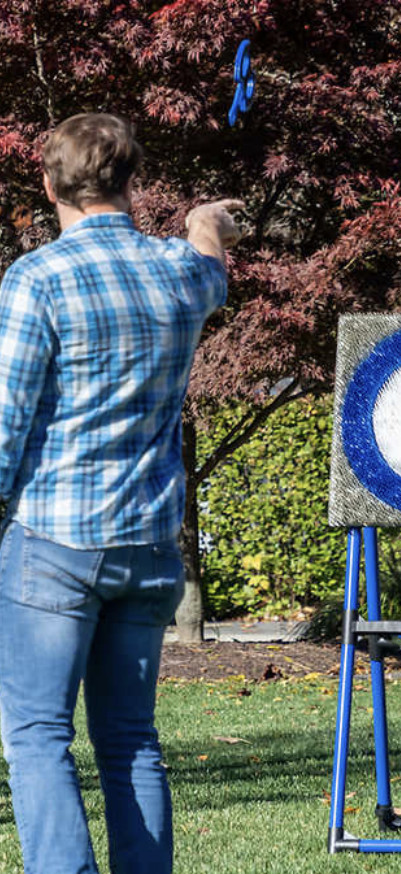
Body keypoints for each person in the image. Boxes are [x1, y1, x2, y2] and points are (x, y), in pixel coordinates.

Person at [0, 113, 242, 874]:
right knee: (131, 738)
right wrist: (205, 221)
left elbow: (5, 426)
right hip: (147, 544)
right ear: (133, 183)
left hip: (54, 544)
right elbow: (211, 265)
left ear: (48, 185)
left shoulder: (35, 278)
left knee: (39, 735)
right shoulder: (180, 271)